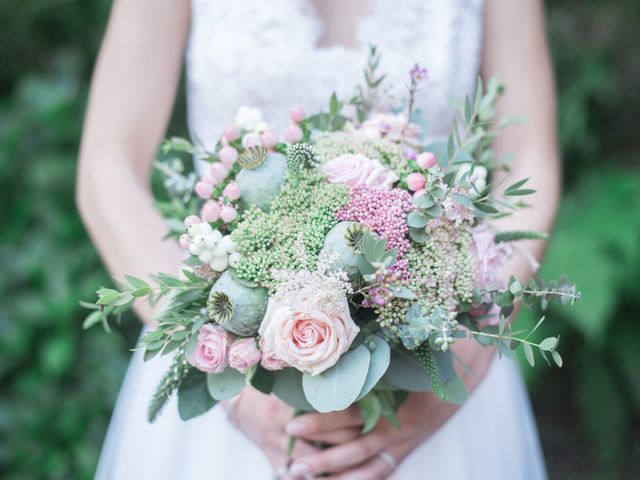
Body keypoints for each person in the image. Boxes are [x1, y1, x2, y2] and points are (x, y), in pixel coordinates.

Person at [77, 0, 559, 478]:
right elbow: (108, 164)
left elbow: (528, 158)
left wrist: (471, 346)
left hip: (441, 356)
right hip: (233, 380)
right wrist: (224, 371)